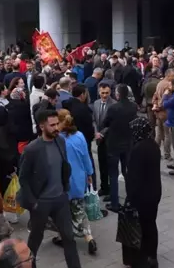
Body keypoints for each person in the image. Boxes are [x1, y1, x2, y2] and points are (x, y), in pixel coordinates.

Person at [17, 109, 81, 268]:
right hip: (41, 202)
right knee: (35, 241)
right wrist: (34, 203)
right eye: (52, 125)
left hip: (60, 199)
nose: (56, 128)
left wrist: (65, 189)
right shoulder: (32, 149)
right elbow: (23, 178)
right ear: (41, 126)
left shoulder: (60, 141)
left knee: (69, 238)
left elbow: (64, 166)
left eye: (57, 124)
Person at [51, 109, 97, 255]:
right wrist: (89, 173)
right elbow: (86, 157)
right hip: (78, 179)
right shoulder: (80, 136)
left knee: (62, 212)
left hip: (62, 182)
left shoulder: (58, 140)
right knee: (80, 210)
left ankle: (63, 237)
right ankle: (89, 238)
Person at [123, 117, 162, 268]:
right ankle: (153, 256)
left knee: (142, 226)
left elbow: (134, 177)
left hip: (142, 196)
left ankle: (143, 257)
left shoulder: (138, 149)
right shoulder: (153, 145)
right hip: (154, 192)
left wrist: (130, 198)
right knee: (151, 224)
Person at [102, 83, 138, 211]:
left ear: (117, 94)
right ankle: (130, 199)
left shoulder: (113, 108)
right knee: (126, 171)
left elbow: (104, 123)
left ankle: (114, 202)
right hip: (128, 143)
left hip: (114, 143)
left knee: (113, 173)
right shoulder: (133, 106)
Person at [63, 84, 97, 191]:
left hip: (68, 140)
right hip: (83, 140)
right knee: (87, 164)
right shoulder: (83, 109)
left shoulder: (66, 105)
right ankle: (91, 189)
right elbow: (89, 128)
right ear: (82, 95)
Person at [93, 83, 114, 197]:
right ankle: (104, 186)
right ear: (99, 92)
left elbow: (113, 123)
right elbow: (94, 120)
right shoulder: (96, 103)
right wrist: (96, 132)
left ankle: (112, 188)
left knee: (110, 165)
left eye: (107, 93)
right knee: (101, 164)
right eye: (102, 93)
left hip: (109, 138)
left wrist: (101, 133)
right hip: (99, 139)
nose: (105, 95)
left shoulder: (113, 105)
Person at [152, 69, 174, 161]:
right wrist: (159, 106)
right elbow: (166, 101)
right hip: (165, 112)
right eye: (173, 75)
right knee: (167, 134)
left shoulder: (159, 83)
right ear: (168, 76)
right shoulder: (169, 85)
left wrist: (155, 105)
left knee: (158, 133)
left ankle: (156, 152)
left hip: (158, 113)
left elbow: (155, 96)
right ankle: (167, 154)